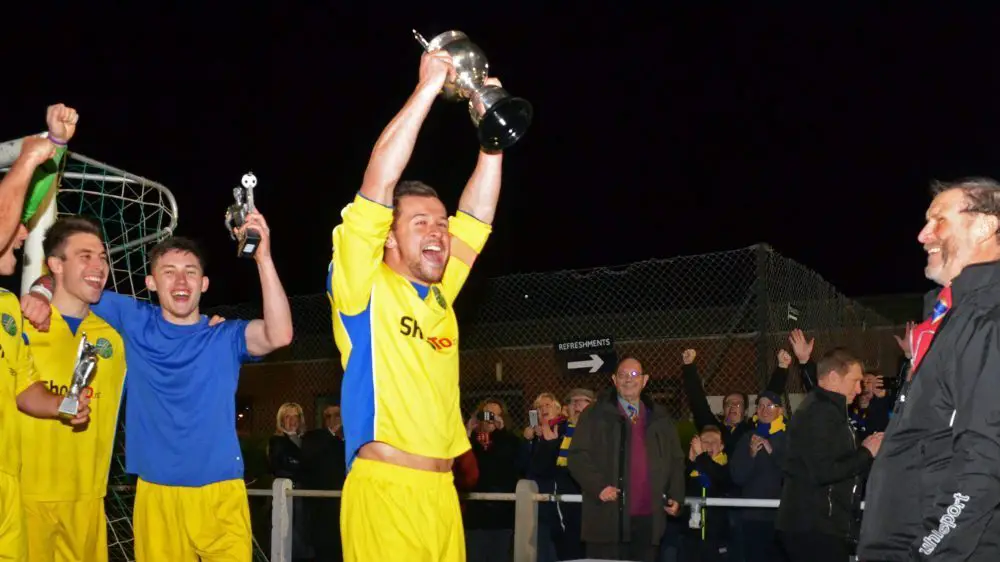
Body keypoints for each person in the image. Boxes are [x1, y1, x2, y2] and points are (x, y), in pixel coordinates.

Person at [22, 211, 292, 562]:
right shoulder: (133, 320)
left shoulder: (224, 336)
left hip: (220, 493)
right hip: (155, 492)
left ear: (204, 284)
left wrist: (263, 257)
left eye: (190, 272)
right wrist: (39, 292)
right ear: (151, 283)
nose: (181, 281)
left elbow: (280, 334)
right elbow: (71, 281)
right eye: (169, 272)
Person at [327, 47, 505, 562]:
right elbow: (379, 181)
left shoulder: (442, 290)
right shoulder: (362, 285)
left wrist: (491, 135)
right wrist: (428, 87)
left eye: (441, 224)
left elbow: (478, 214)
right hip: (385, 492)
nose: (438, 232)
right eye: (420, 222)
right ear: (388, 236)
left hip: (442, 497)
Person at [859, 178, 1000, 560]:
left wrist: (927, 552)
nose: (923, 235)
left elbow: (985, 458)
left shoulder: (989, 317)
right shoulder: (952, 317)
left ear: (985, 226)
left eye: (939, 220)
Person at [0, 104, 91, 561]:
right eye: (16, 224)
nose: (23, 234)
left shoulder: (7, 310)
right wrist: (34, 156)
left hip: (8, 484)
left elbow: (24, 390)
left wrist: (63, 405)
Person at [18, 217, 127, 562]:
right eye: (85, 256)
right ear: (55, 265)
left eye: (103, 257)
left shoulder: (115, 337)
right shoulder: (21, 325)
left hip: (89, 500)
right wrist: (39, 291)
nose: (100, 266)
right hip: (23, 498)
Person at [777, 348, 883, 562]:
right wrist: (866, 452)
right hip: (814, 528)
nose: (859, 389)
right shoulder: (820, 412)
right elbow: (823, 471)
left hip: (819, 526)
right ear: (834, 378)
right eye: (855, 381)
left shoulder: (828, 409)